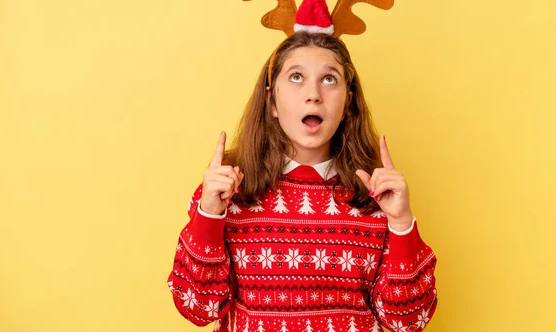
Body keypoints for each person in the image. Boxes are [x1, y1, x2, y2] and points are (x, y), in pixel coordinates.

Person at [166, 30, 438, 331]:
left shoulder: (377, 198)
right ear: (271, 101)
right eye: (296, 77)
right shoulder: (227, 193)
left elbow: (410, 321)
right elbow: (198, 307)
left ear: (348, 104)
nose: (313, 94)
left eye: (329, 78)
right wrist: (209, 216)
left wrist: (401, 224)